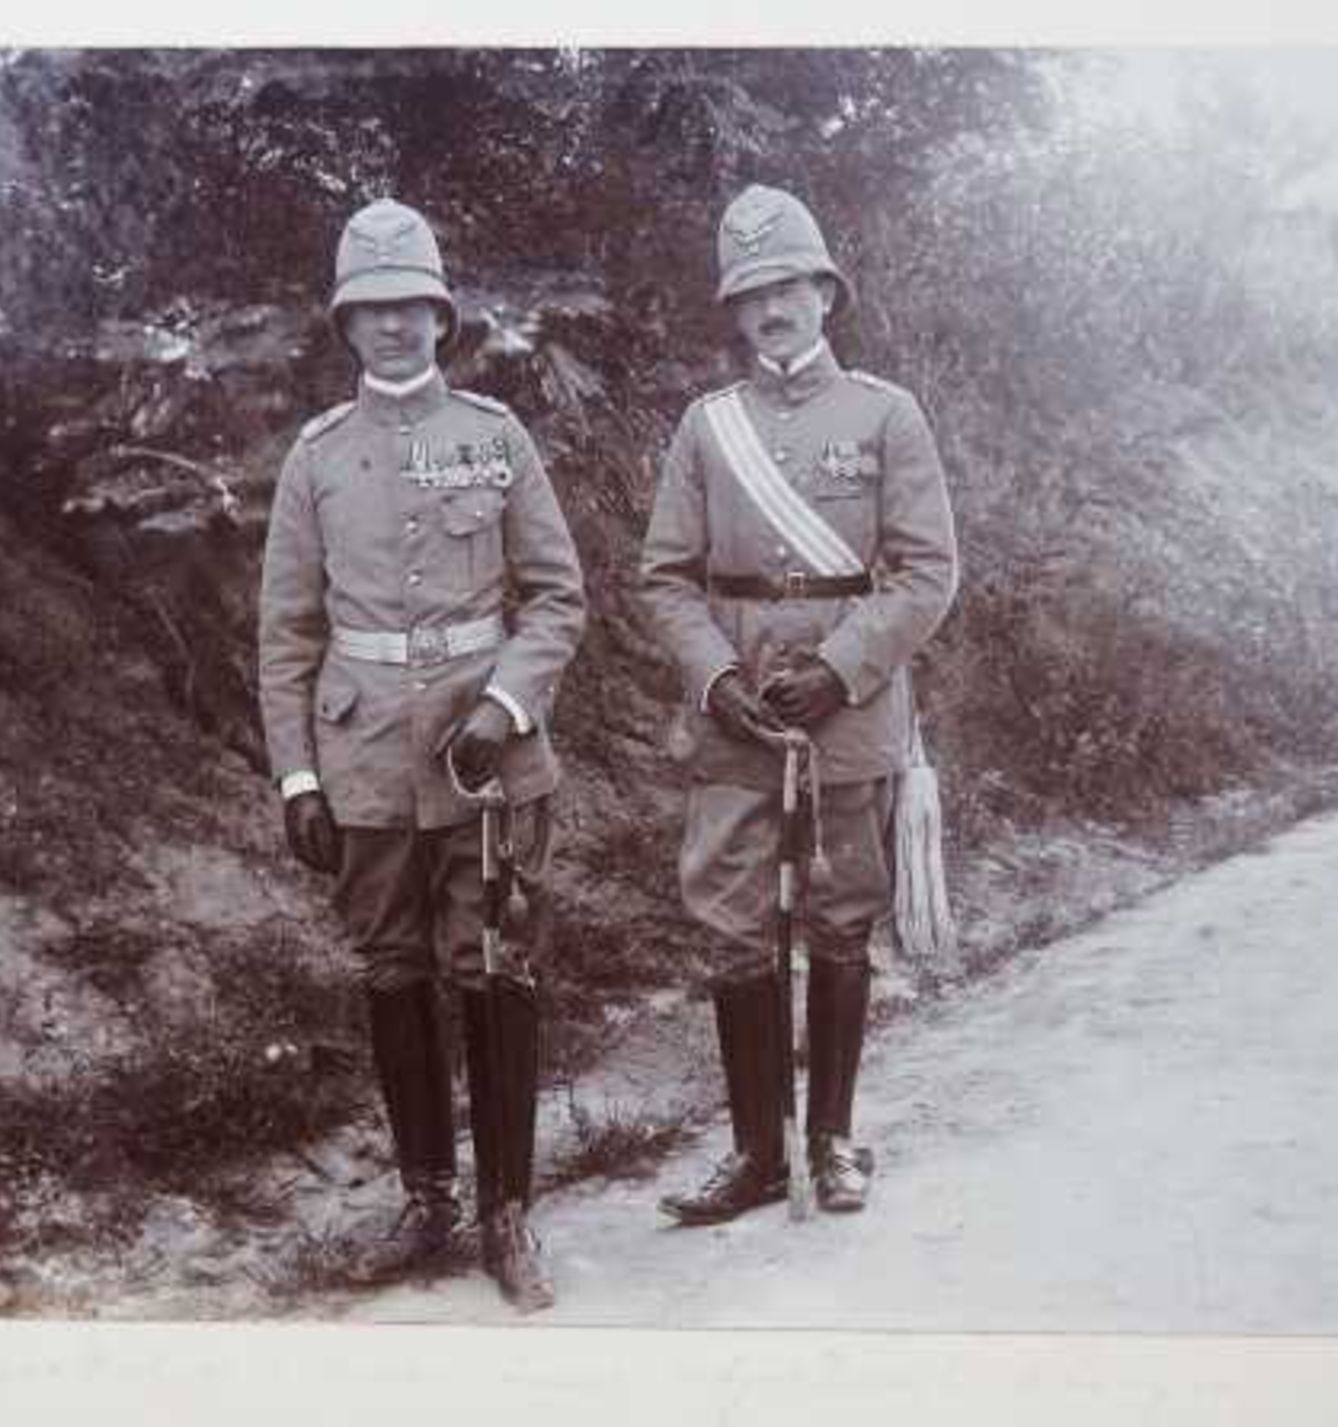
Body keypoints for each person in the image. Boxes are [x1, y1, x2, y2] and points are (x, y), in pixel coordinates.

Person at [257, 198, 586, 1310]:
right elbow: (288, 633)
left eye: (412, 308)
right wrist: (299, 774)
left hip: (484, 755)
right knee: (391, 971)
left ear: (442, 318)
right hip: (361, 761)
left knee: (493, 966)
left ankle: (508, 1212)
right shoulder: (317, 459)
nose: (394, 328)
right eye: (371, 311)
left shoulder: (494, 436)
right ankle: (427, 1198)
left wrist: (504, 703)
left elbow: (556, 597)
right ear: (346, 327)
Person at [638, 184, 958, 1224]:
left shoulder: (884, 412)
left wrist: (844, 665)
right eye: (752, 294)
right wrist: (714, 677)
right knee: (731, 918)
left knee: (841, 913)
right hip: (738, 711)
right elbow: (667, 577)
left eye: (790, 287)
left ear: (826, 292)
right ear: (733, 313)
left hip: (848, 710)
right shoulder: (707, 426)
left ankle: (830, 1138)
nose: (773, 309)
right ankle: (754, 1151)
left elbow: (924, 570)